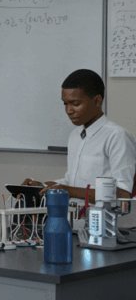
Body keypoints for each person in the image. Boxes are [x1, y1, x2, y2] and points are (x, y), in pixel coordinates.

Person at [22, 69, 136, 201]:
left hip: (104, 219)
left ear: (97, 101)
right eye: (65, 103)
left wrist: (70, 191)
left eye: (75, 104)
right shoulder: (75, 135)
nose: (69, 110)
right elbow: (72, 182)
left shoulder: (116, 136)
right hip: (76, 217)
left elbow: (123, 193)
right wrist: (40, 186)